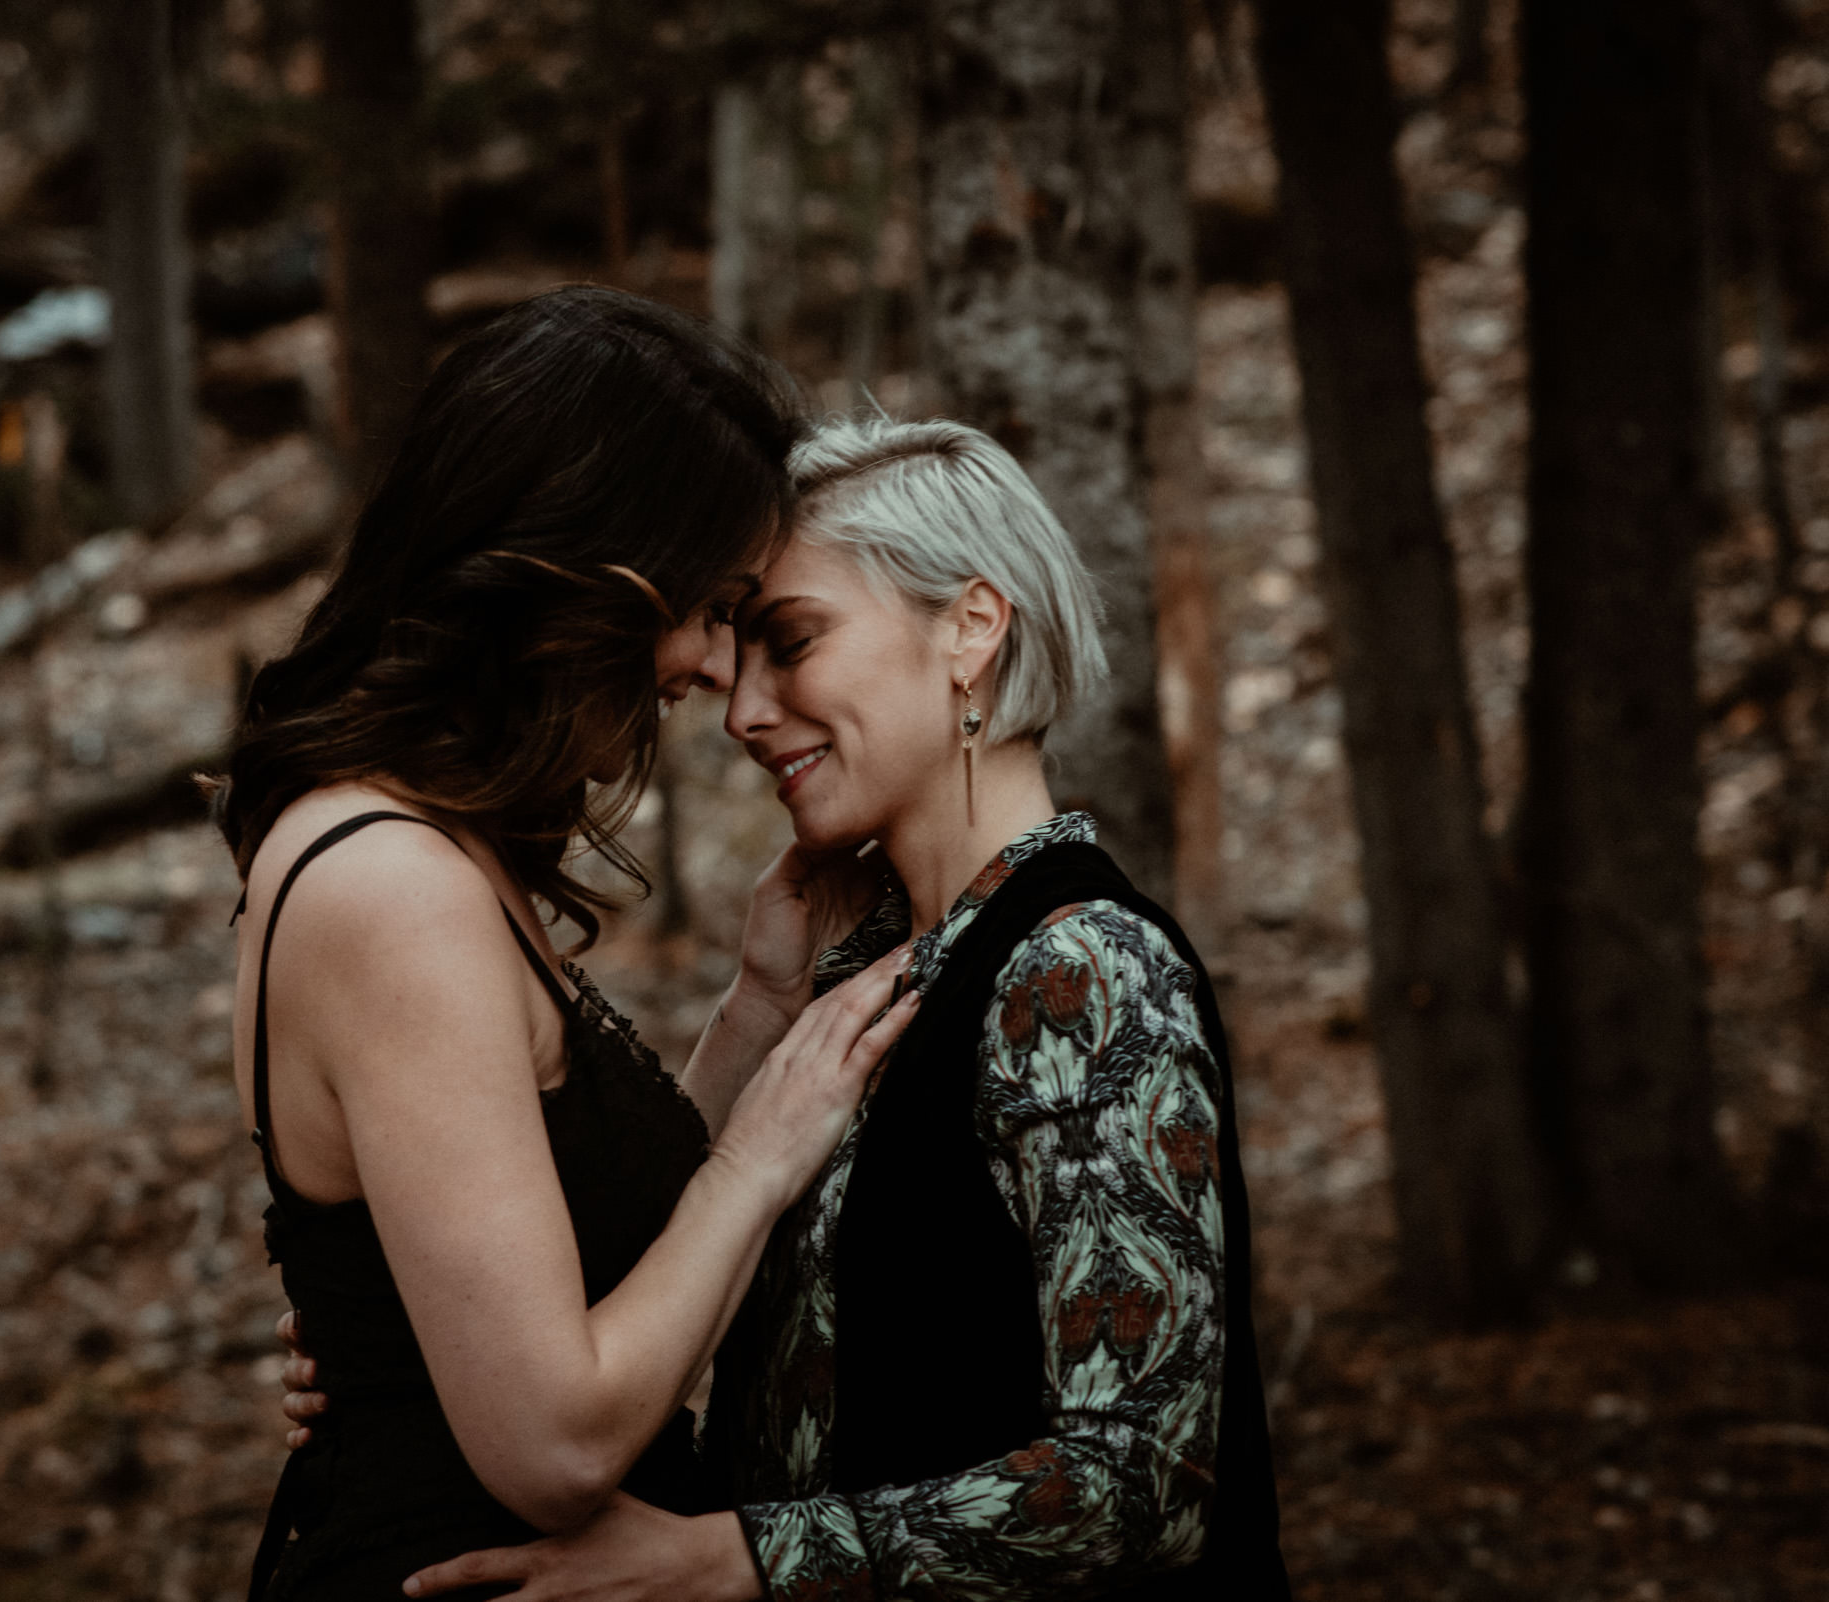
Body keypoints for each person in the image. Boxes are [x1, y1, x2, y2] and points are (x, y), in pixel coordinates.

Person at [387, 417, 1294, 1600]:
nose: (743, 711)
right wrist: (386, 1337)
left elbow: (1145, 1479)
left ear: (969, 629)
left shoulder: (1082, 969)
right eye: (738, 652)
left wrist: (735, 1561)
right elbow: (644, 1297)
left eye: (793, 642)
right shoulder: (868, 967)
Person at [220, 288, 921, 1602]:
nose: (717, 669)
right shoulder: (395, 888)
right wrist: (769, 1147)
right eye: (710, 606)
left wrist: (763, 1005)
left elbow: (581, 1261)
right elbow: (553, 1439)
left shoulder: (421, 848)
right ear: (582, 572)